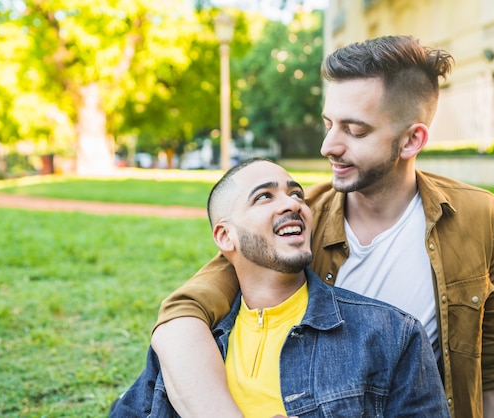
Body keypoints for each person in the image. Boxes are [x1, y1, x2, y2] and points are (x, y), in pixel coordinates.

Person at [151, 36, 494, 418]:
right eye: (329, 124)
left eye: (355, 130)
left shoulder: (476, 215)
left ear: (413, 139)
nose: (328, 145)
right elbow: (183, 315)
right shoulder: (297, 220)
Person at [110, 158, 450, 417]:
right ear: (225, 237)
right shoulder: (190, 344)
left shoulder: (389, 335)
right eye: (264, 197)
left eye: (296, 194)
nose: (292, 204)